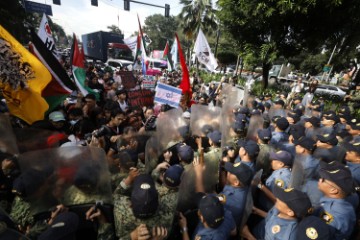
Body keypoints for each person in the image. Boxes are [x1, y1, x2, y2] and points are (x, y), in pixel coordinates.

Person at [315, 162, 356, 240]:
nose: (320, 180)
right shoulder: (348, 199)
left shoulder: (331, 212)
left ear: (333, 190)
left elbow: (324, 235)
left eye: (323, 180)